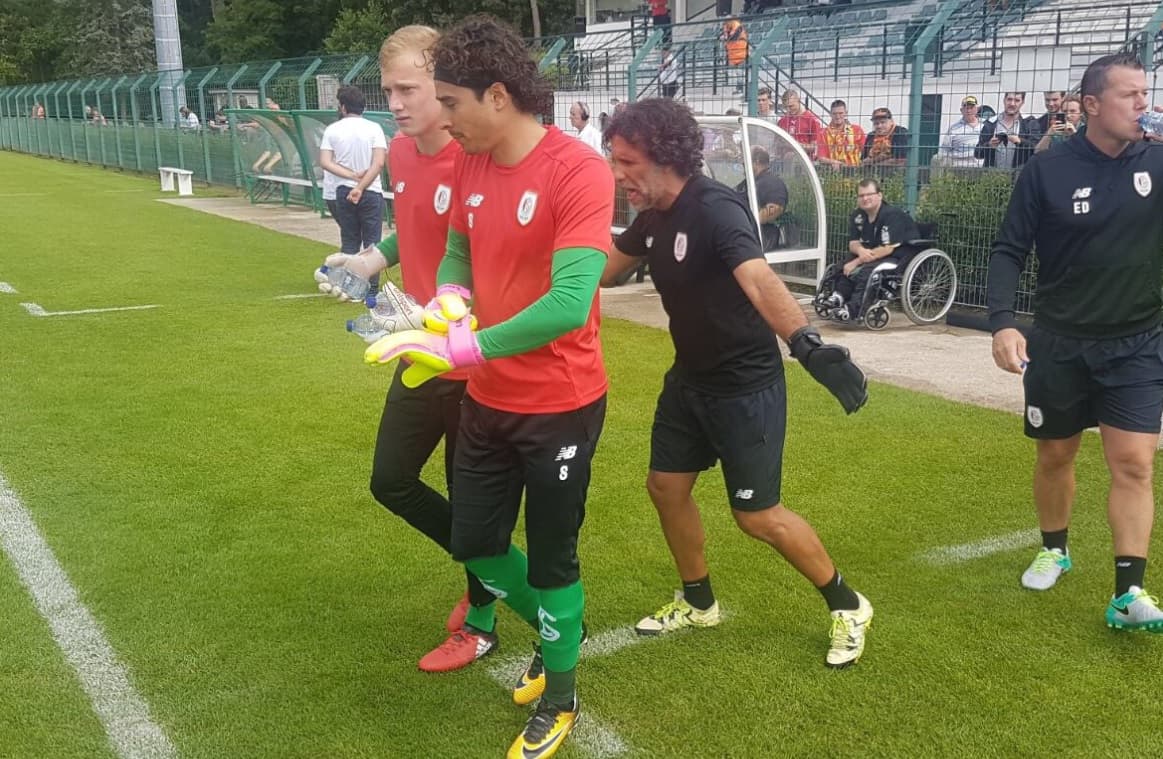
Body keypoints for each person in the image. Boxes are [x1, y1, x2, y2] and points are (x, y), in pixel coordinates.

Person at [365, 15, 616, 758]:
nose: (442, 118)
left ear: (498, 96)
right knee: (474, 541)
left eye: (450, 101)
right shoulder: (472, 164)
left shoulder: (578, 170)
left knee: (552, 554)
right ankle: (555, 628)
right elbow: (458, 251)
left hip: (560, 401)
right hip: (487, 397)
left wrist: (465, 344)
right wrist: (449, 297)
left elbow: (569, 304)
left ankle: (561, 696)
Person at [599, 98, 873, 672]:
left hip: (745, 387)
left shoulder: (715, 209)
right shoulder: (653, 216)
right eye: (614, 160)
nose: (617, 173)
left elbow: (757, 278)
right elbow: (603, 269)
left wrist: (805, 344)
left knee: (757, 517)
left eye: (626, 162)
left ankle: (848, 604)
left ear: (664, 157)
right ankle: (699, 603)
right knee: (665, 487)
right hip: (689, 380)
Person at [315, 25, 504, 673]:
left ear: (441, 83)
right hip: (418, 352)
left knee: (466, 494)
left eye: (409, 89)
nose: (395, 103)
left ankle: (481, 617)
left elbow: (491, 256)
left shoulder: (475, 156)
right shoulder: (398, 151)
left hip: (470, 357)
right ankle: (497, 571)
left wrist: (461, 320)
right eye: (388, 90)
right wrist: (371, 261)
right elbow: (415, 227)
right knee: (391, 481)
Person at [988, 52, 1163, 632]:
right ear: (1091, 105)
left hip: (1137, 342)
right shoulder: (1047, 170)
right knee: (1056, 455)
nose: (1143, 103)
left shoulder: (1157, 161)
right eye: (1129, 94)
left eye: (1145, 93)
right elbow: (1009, 249)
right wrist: (1003, 322)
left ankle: (1127, 593)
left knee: (1134, 463)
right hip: (1059, 342)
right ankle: (1055, 549)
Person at [821, 178, 920, 322]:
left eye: (869, 194)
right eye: (861, 195)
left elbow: (887, 249)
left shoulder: (892, 215)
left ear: (879, 195)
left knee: (867, 271)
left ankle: (854, 310)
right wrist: (860, 251)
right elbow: (853, 243)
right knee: (844, 264)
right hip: (873, 250)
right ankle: (838, 296)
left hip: (898, 254)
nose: (865, 198)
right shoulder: (858, 216)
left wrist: (857, 261)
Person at [318, 85, 388, 282]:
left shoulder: (332, 130)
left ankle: (348, 284)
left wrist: (352, 176)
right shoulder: (374, 128)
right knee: (372, 243)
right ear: (363, 107)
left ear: (343, 107)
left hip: (344, 190)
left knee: (349, 240)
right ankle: (371, 287)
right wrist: (362, 184)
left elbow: (325, 162)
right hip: (371, 189)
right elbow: (379, 163)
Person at [735, 146, 788, 251]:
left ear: (757, 161)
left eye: (745, 163)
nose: (743, 166)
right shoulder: (750, 182)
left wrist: (743, 223)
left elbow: (775, 209)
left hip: (760, 239)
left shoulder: (772, 183)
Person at [975, 91, 1040, 169]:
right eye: (1009, 99)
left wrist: (1020, 141)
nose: (1012, 103)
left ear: (1022, 102)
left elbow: (1037, 150)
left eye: (1017, 100)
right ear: (1004, 100)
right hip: (992, 175)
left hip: (1019, 175)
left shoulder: (1030, 122)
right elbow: (977, 154)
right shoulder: (991, 123)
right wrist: (989, 145)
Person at [816, 99, 866, 168]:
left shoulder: (857, 130)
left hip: (855, 170)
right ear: (830, 114)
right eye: (834, 114)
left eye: (840, 113)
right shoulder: (823, 133)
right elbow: (821, 157)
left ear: (846, 113)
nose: (837, 116)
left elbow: (865, 151)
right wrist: (836, 163)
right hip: (833, 170)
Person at [938, 95, 983, 167]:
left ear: (977, 109)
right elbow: (944, 151)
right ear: (961, 110)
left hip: (981, 167)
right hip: (959, 168)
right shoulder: (953, 129)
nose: (969, 111)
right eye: (966, 108)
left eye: (971, 108)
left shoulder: (985, 125)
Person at [777, 89, 819, 159]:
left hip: (805, 161)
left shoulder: (812, 120)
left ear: (798, 101)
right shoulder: (782, 121)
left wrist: (794, 145)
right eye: (786, 107)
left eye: (791, 106)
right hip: (785, 161)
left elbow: (815, 147)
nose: (788, 110)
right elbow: (777, 145)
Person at [720, 18, 748, 92]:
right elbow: (724, 36)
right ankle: (739, 88)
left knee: (740, 72)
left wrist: (725, 38)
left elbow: (733, 36)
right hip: (733, 54)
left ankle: (740, 88)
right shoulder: (727, 27)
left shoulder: (737, 26)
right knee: (738, 73)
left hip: (740, 53)